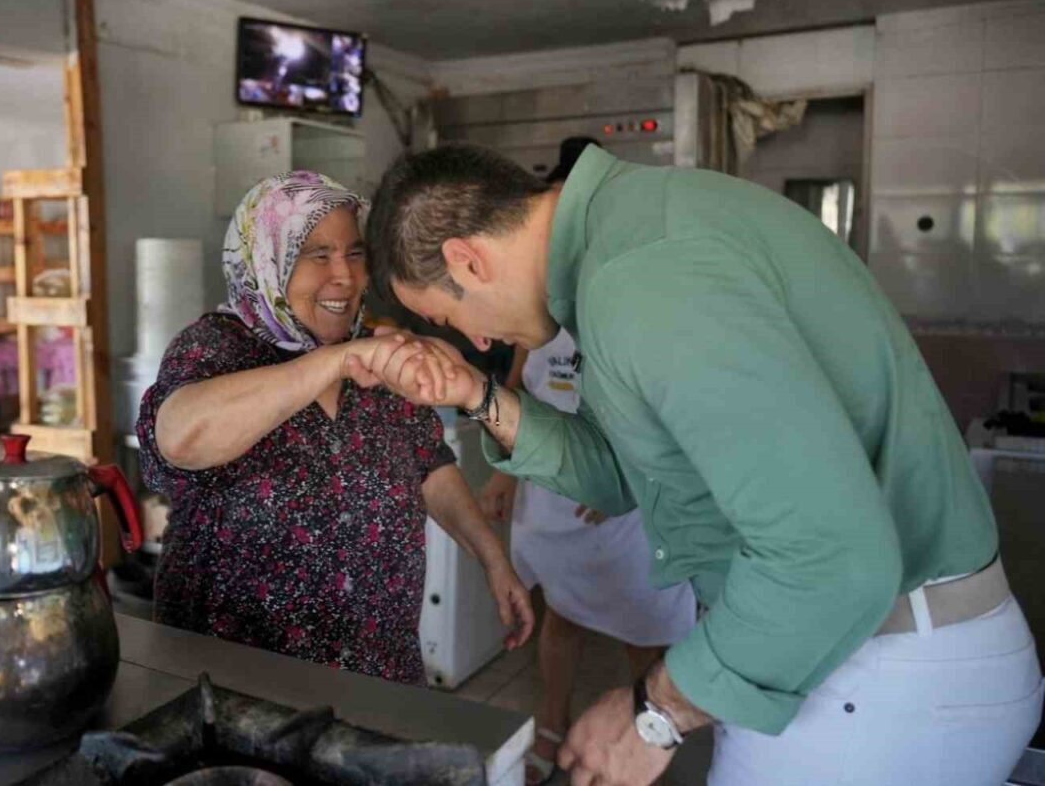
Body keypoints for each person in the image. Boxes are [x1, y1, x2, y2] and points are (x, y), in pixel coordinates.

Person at [356, 143, 1042, 785]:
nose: (475, 338)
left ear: (468, 260)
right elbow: (619, 474)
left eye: (451, 316)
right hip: (863, 656)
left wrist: (655, 712)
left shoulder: (640, 277)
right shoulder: (628, 239)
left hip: (877, 669)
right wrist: (477, 394)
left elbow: (832, 556)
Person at [137, 170, 533, 685]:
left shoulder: (379, 355)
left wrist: (492, 558)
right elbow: (180, 438)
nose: (344, 276)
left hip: (377, 670)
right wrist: (338, 360)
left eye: (354, 253)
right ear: (268, 260)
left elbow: (429, 466)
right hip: (240, 681)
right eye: (318, 255)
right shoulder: (216, 348)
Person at [477, 139, 696, 784]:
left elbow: (660, 404)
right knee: (562, 616)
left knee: (640, 628)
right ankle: (551, 721)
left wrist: (620, 480)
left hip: (622, 492)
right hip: (550, 482)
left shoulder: (629, 288)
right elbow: (514, 385)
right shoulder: (536, 294)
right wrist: (500, 472)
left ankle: (647, 742)